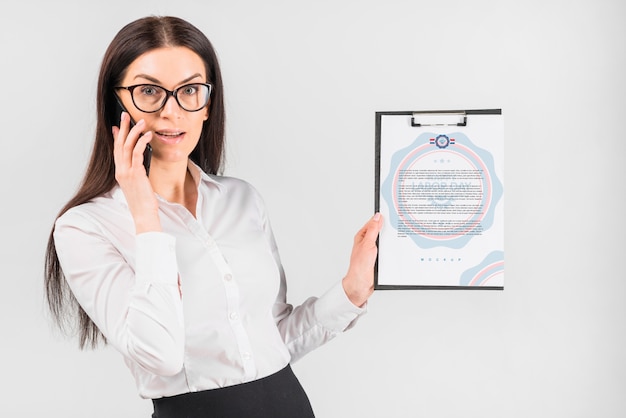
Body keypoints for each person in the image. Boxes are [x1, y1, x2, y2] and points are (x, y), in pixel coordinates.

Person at [44, 15, 382, 418]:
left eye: (190, 91)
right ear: (117, 103)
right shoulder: (85, 228)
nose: (172, 111)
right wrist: (146, 216)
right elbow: (160, 357)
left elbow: (274, 341)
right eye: (149, 91)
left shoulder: (241, 200)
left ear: (207, 105)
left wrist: (352, 290)